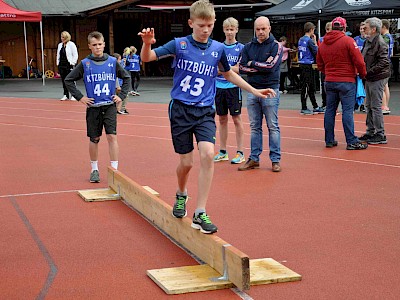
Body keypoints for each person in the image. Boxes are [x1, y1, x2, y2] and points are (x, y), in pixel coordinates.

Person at [138, 0, 276, 234]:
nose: (206, 30)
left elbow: (228, 74)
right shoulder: (179, 44)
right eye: (201, 25)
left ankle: (200, 212)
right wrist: (146, 44)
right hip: (181, 110)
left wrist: (253, 90)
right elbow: (147, 58)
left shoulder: (217, 49)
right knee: (186, 163)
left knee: (209, 154)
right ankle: (181, 193)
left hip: (204, 110)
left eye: (210, 25)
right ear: (191, 23)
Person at [65, 31, 131, 182]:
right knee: (94, 138)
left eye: (100, 44)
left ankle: (114, 170)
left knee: (112, 136)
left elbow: (127, 78)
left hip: (109, 106)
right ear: (89, 46)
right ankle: (94, 169)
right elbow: (68, 80)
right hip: (93, 107)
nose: (97, 47)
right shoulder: (85, 64)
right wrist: (80, 97)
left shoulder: (113, 62)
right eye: (94, 45)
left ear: (104, 44)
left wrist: (121, 96)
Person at [238, 16, 283, 173]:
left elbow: (271, 66)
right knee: (255, 127)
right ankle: (254, 159)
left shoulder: (277, 46)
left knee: (273, 126)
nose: (260, 32)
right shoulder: (248, 47)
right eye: (258, 29)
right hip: (253, 90)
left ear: (269, 28)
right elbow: (242, 68)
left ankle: (275, 160)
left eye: (263, 28)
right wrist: (258, 66)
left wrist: (253, 63)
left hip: (271, 90)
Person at [317, 17, 368, 151]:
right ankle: (351, 141)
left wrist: (329, 72)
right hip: (346, 81)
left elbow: (320, 64)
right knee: (347, 111)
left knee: (330, 110)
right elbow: (359, 61)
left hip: (330, 80)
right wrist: (362, 74)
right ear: (344, 28)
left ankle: (329, 139)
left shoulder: (322, 43)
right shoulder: (348, 41)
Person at [213, 17, 245, 165]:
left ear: (237, 30)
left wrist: (225, 69)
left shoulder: (241, 48)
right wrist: (228, 69)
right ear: (223, 30)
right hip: (219, 87)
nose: (230, 32)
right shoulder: (219, 47)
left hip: (233, 87)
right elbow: (215, 69)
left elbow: (239, 69)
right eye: (227, 29)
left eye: (232, 29)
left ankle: (240, 152)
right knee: (222, 119)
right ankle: (223, 151)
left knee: (237, 119)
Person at [359, 17, 390, 145]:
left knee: (375, 105)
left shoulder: (380, 42)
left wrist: (368, 71)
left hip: (377, 77)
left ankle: (380, 133)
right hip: (370, 76)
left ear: (373, 29)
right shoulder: (368, 41)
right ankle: (371, 131)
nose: (363, 30)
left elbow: (384, 61)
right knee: (369, 105)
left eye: (365, 28)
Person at [298, 22, 324, 115]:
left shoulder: (301, 39)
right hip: (307, 64)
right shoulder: (309, 41)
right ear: (312, 30)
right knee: (306, 86)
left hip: (302, 63)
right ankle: (304, 107)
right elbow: (317, 51)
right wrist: (315, 41)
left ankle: (315, 106)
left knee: (310, 86)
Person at [56, 31, 78, 101]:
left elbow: (75, 54)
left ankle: (74, 95)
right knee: (64, 80)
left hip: (69, 64)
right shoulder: (60, 45)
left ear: (66, 37)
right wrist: (58, 63)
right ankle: (65, 94)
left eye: (63, 37)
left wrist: (73, 63)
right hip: (61, 65)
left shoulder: (71, 44)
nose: (62, 38)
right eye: (61, 37)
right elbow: (58, 55)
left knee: (71, 80)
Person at [381, 19, 394, 115]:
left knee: (381, 85)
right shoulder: (391, 37)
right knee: (385, 85)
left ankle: (384, 106)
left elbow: (383, 49)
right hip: (388, 61)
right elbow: (391, 52)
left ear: (384, 27)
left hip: (384, 62)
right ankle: (385, 105)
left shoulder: (385, 37)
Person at [318, 22, 332, 109]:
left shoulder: (321, 39)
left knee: (327, 86)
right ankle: (325, 103)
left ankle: (326, 103)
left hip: (327, 65)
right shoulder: (322, 40)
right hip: (326, 65)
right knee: (325, 86)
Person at [354, 21, 367, 112]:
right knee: (357, 85)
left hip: (366, 65)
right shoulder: (355, 39)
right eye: (361, 29)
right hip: (357, 65)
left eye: (364, 29)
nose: (362, 30)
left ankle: (363, 104)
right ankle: (356, 103)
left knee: (365, 85)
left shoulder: (369, 40)